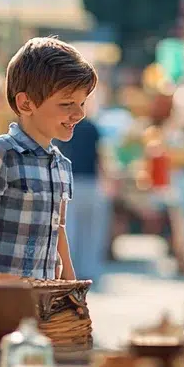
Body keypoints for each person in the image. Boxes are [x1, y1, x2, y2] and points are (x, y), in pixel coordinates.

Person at [0, 38, 97, 281]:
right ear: (26, 103)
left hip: (42, 298)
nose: (79, 113)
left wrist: (70, 283)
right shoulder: (1, 153)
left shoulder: (62, 165)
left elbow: (58, 229)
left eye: (81, 103)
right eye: (67, 104)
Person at [57, 115, 110, 286]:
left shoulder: (64, 126)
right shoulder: (93, 127)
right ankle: (89, 269)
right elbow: (100, 156)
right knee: (90, 231)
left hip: (70, 180)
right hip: (91, 182)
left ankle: (71, 270)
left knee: (70, 230)